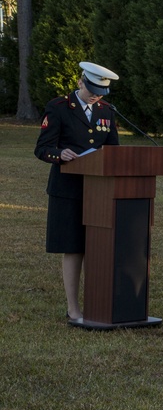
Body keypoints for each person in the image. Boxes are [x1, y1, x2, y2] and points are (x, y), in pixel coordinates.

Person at [34, 61, 121, 322]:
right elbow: (42, 148)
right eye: (92, 89)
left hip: (100, 190)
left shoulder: (107, 111)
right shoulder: (59, 108)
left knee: (100, 244)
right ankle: (73, 308)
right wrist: (60, 154)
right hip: (68, 189)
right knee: (73, 247)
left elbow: (114, 151)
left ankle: (101, 302)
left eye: (100, 92)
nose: (95, 96)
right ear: (81, 81)